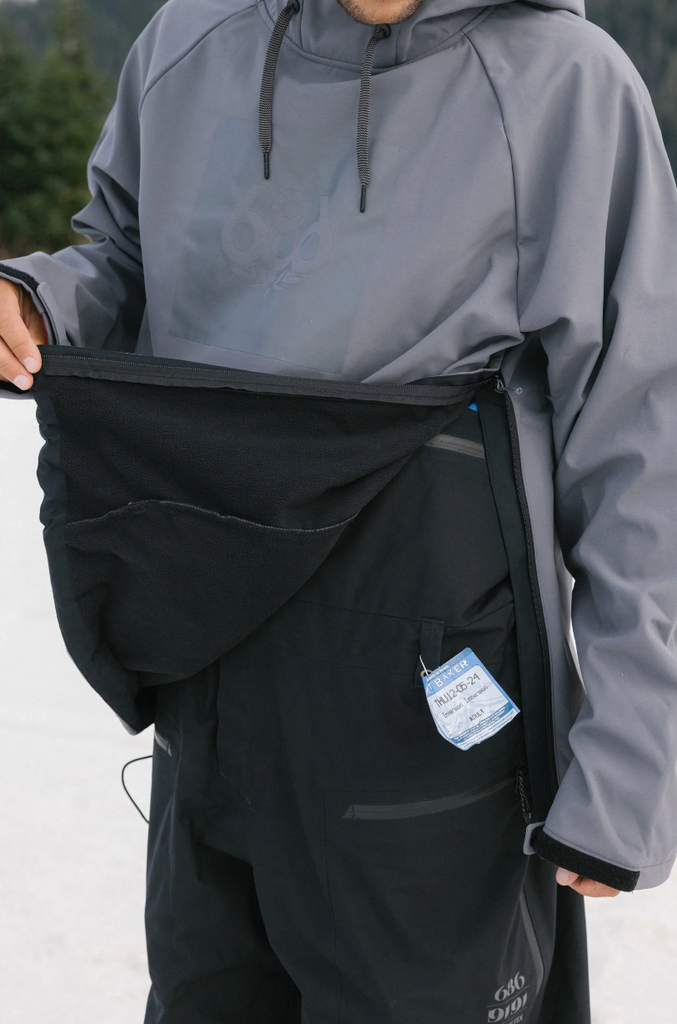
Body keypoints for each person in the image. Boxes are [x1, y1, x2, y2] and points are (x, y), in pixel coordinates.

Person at [2, 0, 677, 1019]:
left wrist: (627, 766)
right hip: (210, 665)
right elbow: (126, 255)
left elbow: (639, 437)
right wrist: (41, 298)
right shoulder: (193, 39)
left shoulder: (565, 86)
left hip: (430, 703)